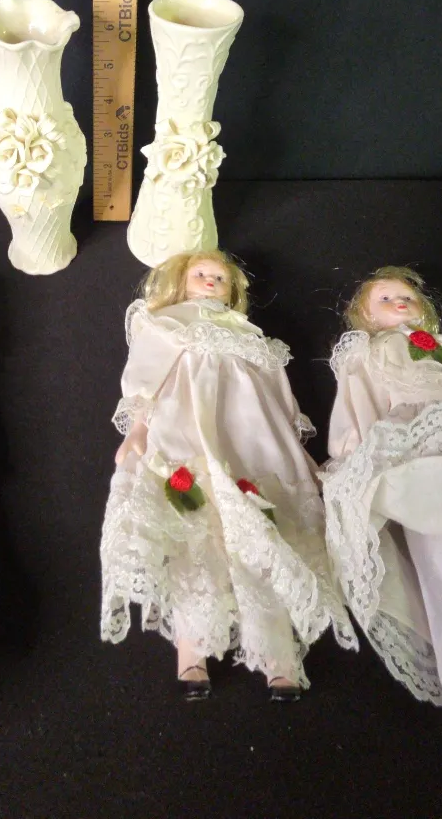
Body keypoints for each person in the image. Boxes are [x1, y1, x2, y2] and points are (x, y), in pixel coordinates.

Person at [101, 250, 354, 701]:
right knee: (194, 541)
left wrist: (296, 446)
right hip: (187, 432)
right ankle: (191, 654)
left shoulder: (249, 334)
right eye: (201, 274)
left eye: (220, 278)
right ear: (181, 281)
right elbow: (145, 376)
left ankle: (279, 659)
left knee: (267, 537)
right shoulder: (167, 322)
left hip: (253, 441)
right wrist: (138, 428)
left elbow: (278, 394)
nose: (211, 281)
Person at [324, 266, 442, 723]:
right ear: (366, 314)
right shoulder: (371, 352)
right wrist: (350, 457)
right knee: (439, 558)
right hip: (415, 455)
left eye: (406, 296)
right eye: (385, 299)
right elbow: (358, 408)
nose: (399, 302)